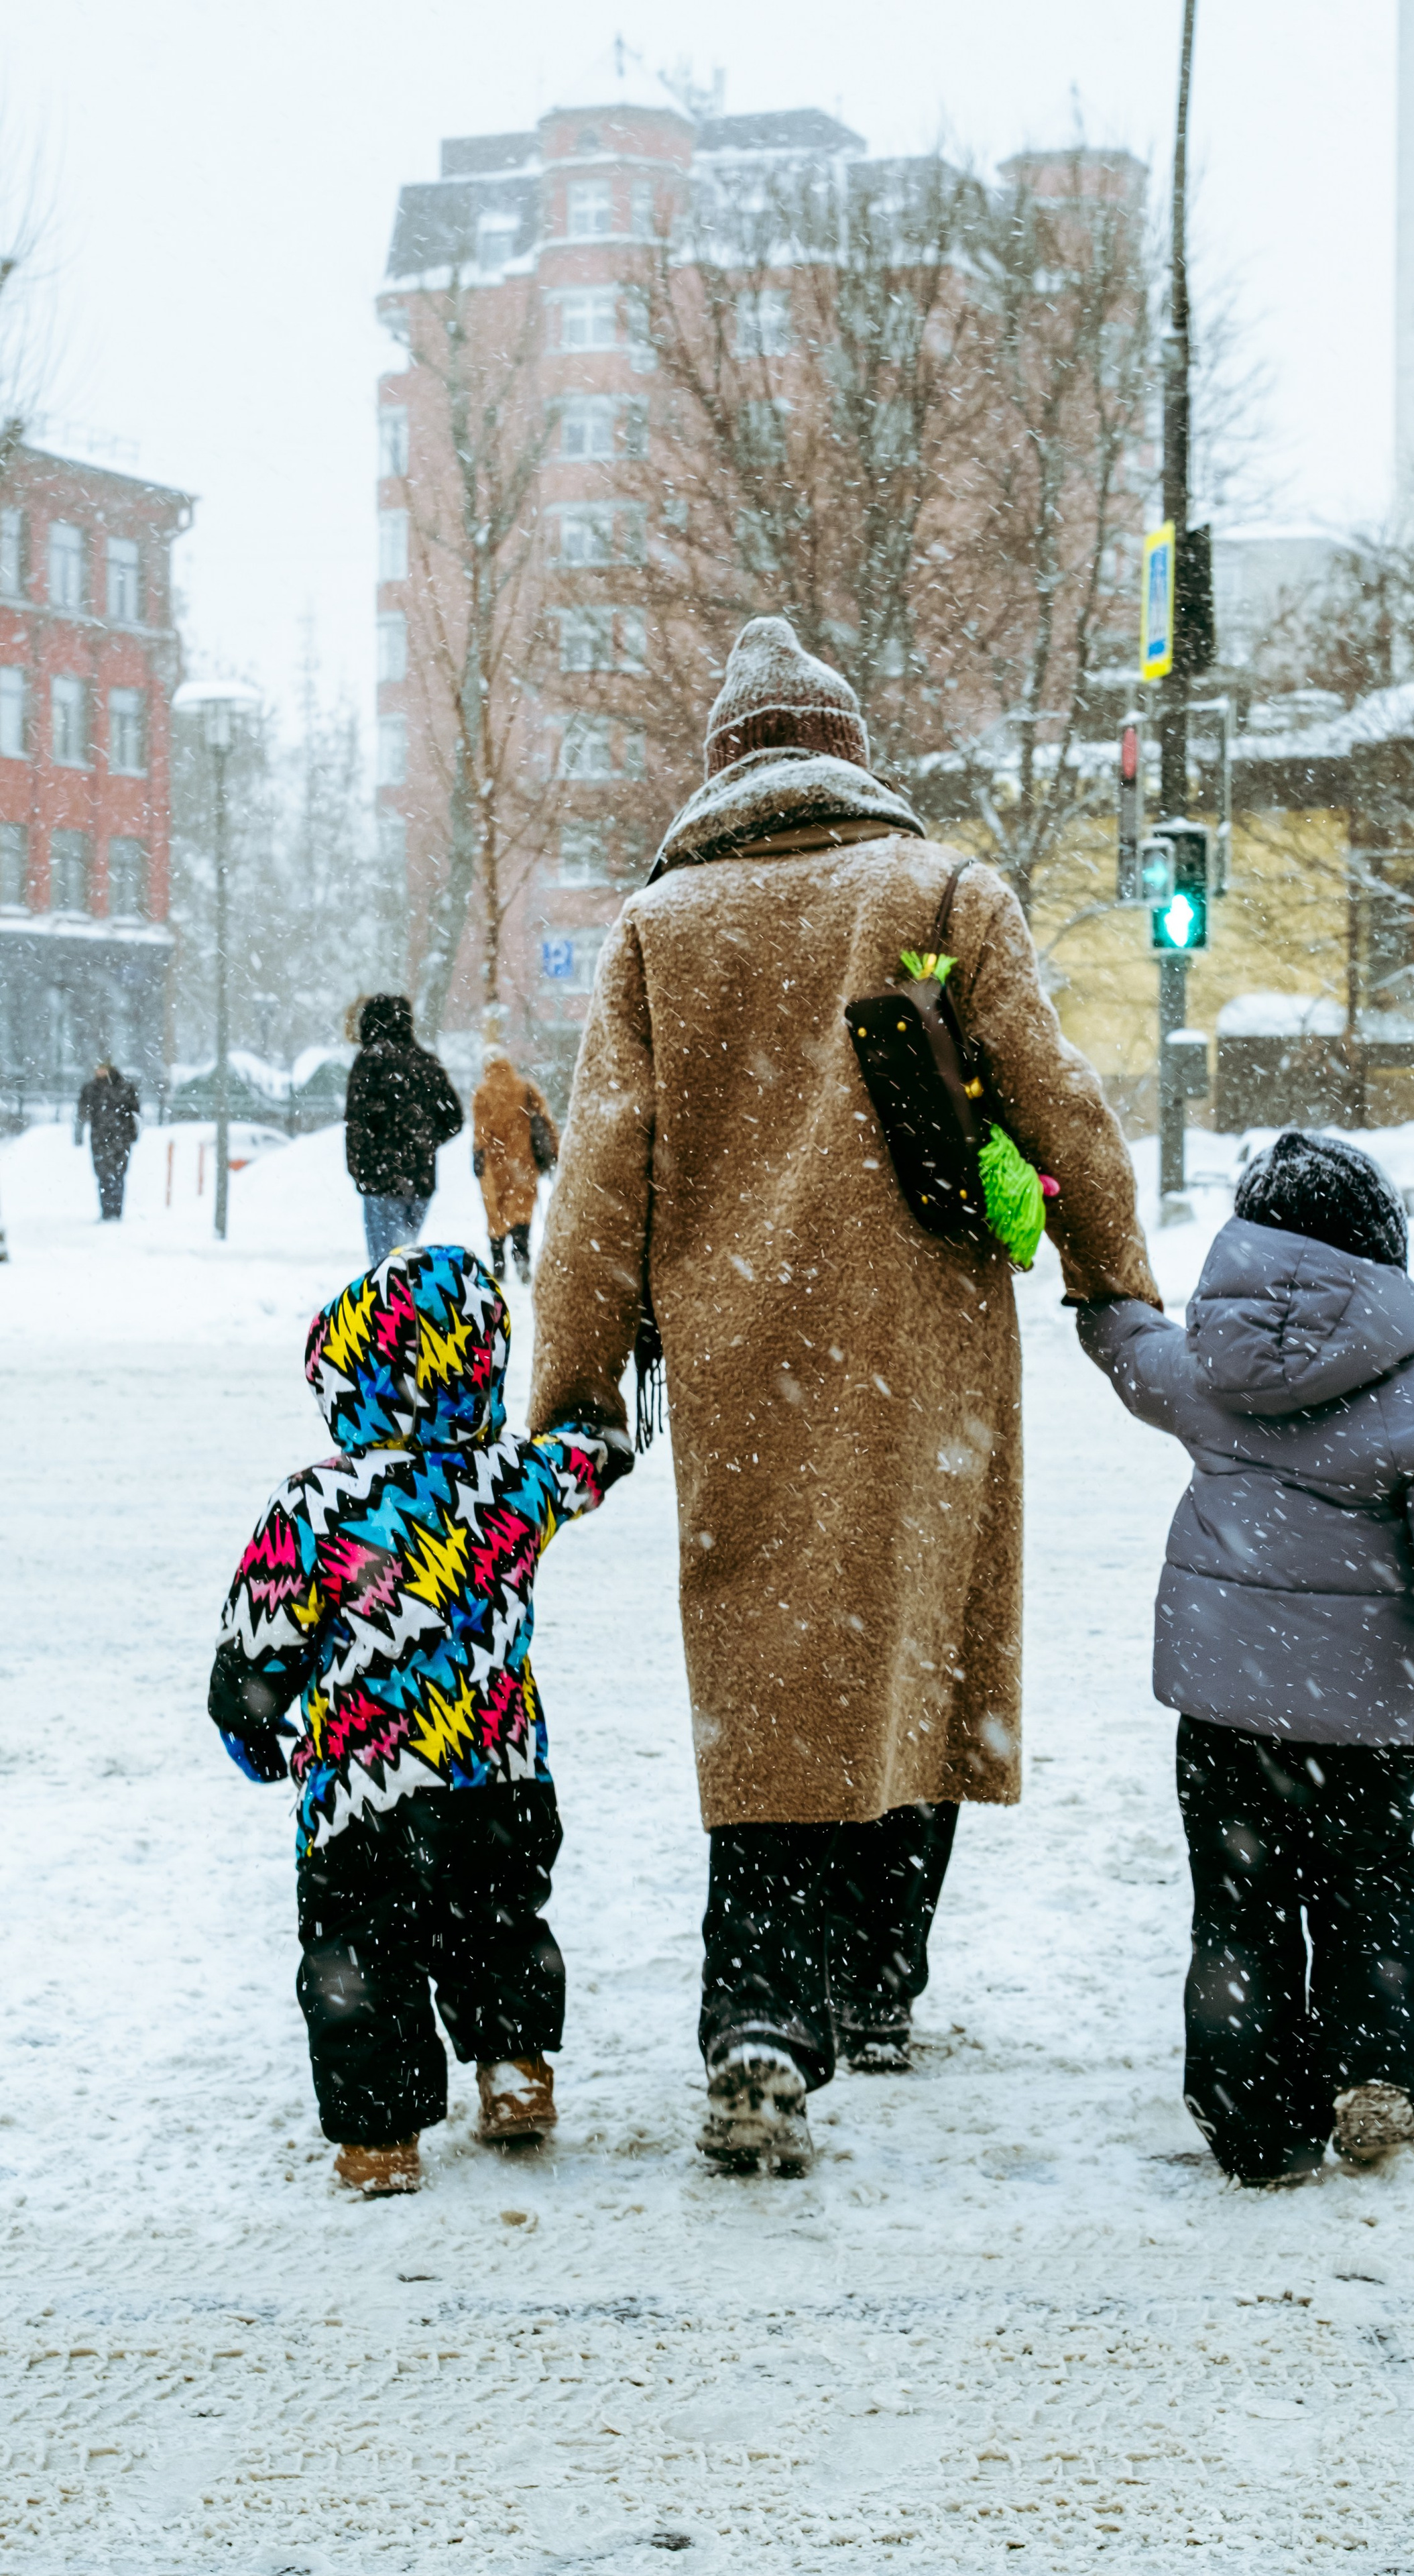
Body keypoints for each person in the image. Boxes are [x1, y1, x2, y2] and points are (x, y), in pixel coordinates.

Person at [530, 614, 1159, 2174]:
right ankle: (875, 1982)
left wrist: (575, 1387)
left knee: (769, 1675)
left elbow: (600, 1182)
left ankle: (760, 2014)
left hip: (742, 1360)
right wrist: (1110, 1281)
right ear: (849, 754)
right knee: (912, 1652)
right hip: (923, 1352)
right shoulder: (940, 892)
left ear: (721, 768)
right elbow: (1054, 1101)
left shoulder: (659, 930)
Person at [1077, 1128, 1414, 2187]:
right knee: (1370, 1892)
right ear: (1383, 1252)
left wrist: (1097, 1289)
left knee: (1238, 1910)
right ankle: (1381, 2068)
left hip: (1225, 1712)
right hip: (1366, 1720)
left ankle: (1252, 2122)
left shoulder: (1207, 1375)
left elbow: (1132, 1351)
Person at [207, 1242, 621, 2196]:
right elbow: (587, 1461)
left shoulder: (318, 1504)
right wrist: (599, 1426)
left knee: (361, 1957)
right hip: (502, 1779)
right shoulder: (512, 1484)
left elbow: (260, 1639)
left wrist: (248, 1718)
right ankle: (515, 2070)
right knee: (501, 1925)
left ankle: (379, 2137)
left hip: (364, 1798)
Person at [343, 994, 463, 1268]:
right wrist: (425, 1142)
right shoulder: (427, 1063)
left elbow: (356, 1123)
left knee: (386, 1271)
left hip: (380, 1180)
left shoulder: (368, 1063)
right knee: (405, 1262)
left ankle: (394, 1309)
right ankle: (409, 1307)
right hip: (420, 1180)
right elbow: (455, 1118)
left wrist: (359, 1170)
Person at [472, 1048, 558, 1284]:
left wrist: (478, 1155)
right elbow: (545, 1121)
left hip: (494, 1164)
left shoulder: (483, 1092)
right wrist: (554, 1151)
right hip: (523, 1162)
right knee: (521, 1211)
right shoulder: (525, 1088)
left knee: (496, 1214)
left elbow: (481, 1131)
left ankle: (498, 1264)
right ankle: (522, 1257)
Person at [75, 1060, 141, 1221]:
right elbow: (82, 1112)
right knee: (103, 1174)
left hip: (121, 1138)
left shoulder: (124, 1087)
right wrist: (78, 1133)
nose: (100, 1073)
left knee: (118, 1174)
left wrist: (133, 1134)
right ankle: (106, 1211)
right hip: (100, 1139)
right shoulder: (91, 1088)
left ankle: (116, 1211)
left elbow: (135, 1112)